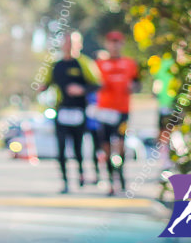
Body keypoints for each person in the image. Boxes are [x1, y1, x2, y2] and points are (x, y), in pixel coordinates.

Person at [43, 31, 99, 194]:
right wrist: (41, 87)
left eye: (72, 42)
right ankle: (65, 181)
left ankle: (81, 174)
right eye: (66, 42)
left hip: (79, 110)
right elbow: (47, 82)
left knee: (77, 147)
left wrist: (81, 90)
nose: (68, 45)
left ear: (78, 45)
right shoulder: (56, 65)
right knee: (61, 147)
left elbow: (97, 84)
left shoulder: (84, 63)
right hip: (61, 110)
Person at [95, 30, 140, 196]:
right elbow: (92, 84)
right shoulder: (99, 64)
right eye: (111, 41)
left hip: (122, 111)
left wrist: (133, 87)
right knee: (106, 147)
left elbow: (137, 83)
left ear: (122, 44)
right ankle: (109, 181)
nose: (114, 45)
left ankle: (121, 178)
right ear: (107, 44)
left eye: (117, 41)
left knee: (120, 145)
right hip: (105, 111)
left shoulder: (130, 63)